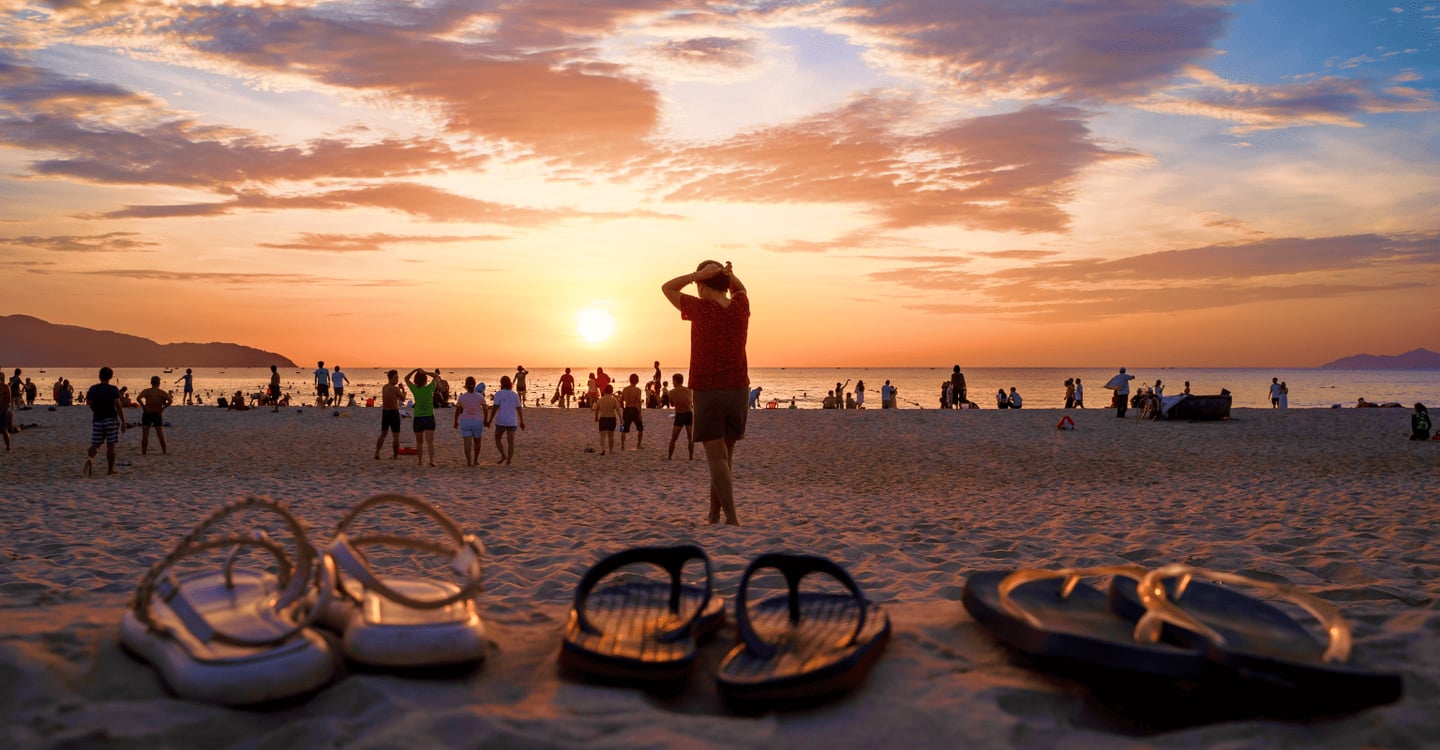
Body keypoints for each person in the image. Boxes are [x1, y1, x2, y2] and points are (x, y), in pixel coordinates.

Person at [662, 259, 749, 526]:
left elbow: (667, 288)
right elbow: (741, 290)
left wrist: (693, 274)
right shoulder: (739, 306)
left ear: (701, 284)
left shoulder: (700, 308)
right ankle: (714, 514)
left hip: (708, 390)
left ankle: (731, 517)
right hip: (738, 390)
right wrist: (728, 275)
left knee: (717, 458)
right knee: (724, 459)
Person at [84, 367, 126, 476]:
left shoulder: (93, 388)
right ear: (111, 377)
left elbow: (89, 403)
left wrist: (95, 411)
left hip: (98, 419)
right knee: (111, 446)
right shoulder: (113, 389)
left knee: (96, 445)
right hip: (111, 419)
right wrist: (123, 422)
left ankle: (90, 458)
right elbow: (118, 405)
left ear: (99, 376)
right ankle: (110, 470)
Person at [404, 367, 439, 467]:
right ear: (425, 380)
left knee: (419, 442)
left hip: (418, 418)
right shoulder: (430, 388)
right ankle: (431, 460)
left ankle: (420, 461)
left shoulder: (415, 389)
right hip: (429, 417)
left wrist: (414, 370)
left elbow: (406, 378)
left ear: (415, 380)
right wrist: (426, 372)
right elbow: (436, 376)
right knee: (430, 442)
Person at [489, 374, 524, 465]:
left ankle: (503, 455)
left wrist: (490, 420)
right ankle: (509, 461)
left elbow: (495, 408)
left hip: (501, 420)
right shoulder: (514, 395)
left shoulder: (498, 394)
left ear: (501, 384)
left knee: (497, 438)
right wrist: (521, 421)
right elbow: (519, 409)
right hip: (512, 421)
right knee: (511, 442)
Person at [454, 377, 488, 466]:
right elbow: (485, 409)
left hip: (465, 421)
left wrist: (455, 421)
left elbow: (457, 410)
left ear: (466, 385)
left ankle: (469, 462)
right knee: (477, 442)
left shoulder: (462, 397)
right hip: (477, 421)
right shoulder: (480, 396)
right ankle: (475, 460)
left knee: (467, 443)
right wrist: (485, 419)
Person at [137, 375, 171, 455]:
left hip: (147, 413)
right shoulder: (161, 392)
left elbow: (138, 398)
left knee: (145, 434)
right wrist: (162, 408)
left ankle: (144, 452)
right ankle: (164, 452)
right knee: (160, 433)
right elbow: (170, 401)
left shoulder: (146, 391)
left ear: (151, 382)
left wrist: (144, 406)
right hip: (157, 413)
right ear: (159, 383)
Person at [374, 369, 403, 459]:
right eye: (395, 378)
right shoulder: (395, 389)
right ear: (390, 378)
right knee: (396, 436)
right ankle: (395, 455)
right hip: (393, 412)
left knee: (383, 434)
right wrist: (402, 388)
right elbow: (403, 398)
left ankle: (377, 453)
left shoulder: (384, 387)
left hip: (385, 412)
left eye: (397, 378)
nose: (397, 380)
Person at [667, 373, 694, 460]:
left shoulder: (671, 392)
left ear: (675, 381)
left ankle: (669, 457)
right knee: (690, 438)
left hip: (679, 415)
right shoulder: (689, 390)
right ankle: (691, 457)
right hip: (688, 414)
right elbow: (691, 402)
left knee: (674, 438)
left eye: (673, 381)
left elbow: (672, 405)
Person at [620, 373, 645, 450]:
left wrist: (623, 409)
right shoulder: (638, 390)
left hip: (627, 409)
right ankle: (639, 444)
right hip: (634, 409)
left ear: (630, 380)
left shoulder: (625, 389)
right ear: (637, 381)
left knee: (623, 429)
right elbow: (638, 402)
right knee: (640, 428)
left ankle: (622, 445)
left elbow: (621, 401)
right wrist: (640, 413)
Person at [594, 384, 620, 455]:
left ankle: (603, 450)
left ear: (604, 391)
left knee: (602, 436)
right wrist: (621, 419)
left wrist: (596, 417)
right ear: (611, 391)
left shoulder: (600, 399)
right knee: (611, 435)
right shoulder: (613, 400)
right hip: (611, 418)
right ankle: (611, 451)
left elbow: (596, 409)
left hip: (603, 418)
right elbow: (618, 410)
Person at [0, 371, 11, 452]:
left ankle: (8, 447)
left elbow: (8, 401)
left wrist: (1, 411)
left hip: (3, 410)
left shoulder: (5, 387)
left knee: (4, 430)